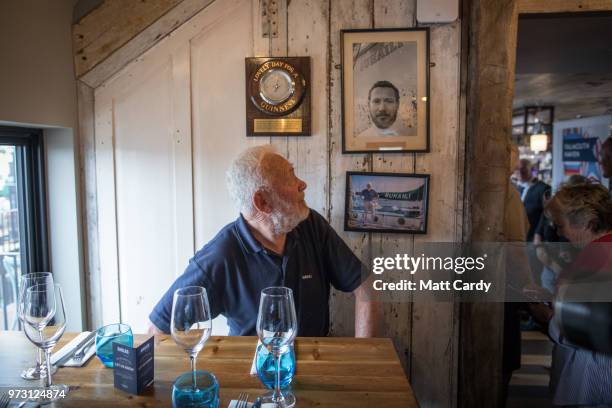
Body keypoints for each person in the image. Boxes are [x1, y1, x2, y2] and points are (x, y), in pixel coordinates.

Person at [148, 145, 378, 337]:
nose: (302, 184)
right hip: (252, 375)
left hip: (316, 361)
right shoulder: (221, 255)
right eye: (290, 176)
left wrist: (362, 356)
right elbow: (158, 330)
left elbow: (366, 286)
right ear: (263, 202)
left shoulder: (311, 225)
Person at [542, 182, 612, 406]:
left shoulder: (596, 258)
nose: (558, 231)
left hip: (594, 373)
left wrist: (543, 312)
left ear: (588, 223)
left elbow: (570, 330)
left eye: (561, 224)